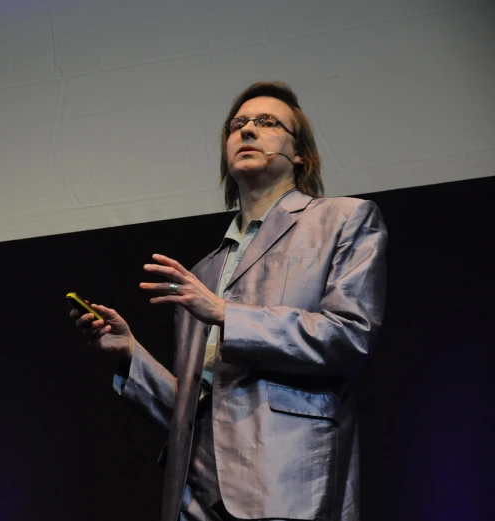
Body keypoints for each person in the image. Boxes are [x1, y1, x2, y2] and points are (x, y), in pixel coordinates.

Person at [70, 81, 387, 521]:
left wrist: (225, 314)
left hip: (287, 483)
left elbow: (349, 337)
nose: (248, 131)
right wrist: (130, 357)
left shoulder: (344, 219)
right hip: (195, 493)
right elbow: (195, 407)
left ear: (300, 154)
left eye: (268, 122)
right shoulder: (203, 272)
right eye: (237, 125)